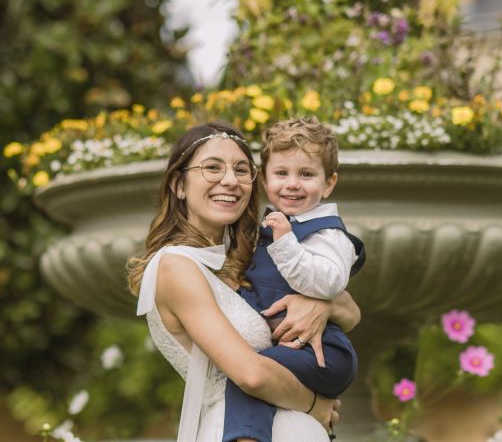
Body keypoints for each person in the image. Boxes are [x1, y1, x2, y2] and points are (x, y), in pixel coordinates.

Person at [127, 121, 362, 442]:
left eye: (241, 169)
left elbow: (352, 312)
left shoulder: (250, 254)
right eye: (212, 168)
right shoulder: (175, 266)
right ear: (178, 185)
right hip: (238, 431)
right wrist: (315, 407)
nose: (230, 180)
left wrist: (319, 304)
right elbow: (250, 375)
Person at [223, 116, 365, 442]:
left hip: (324, 354)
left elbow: (330, 283)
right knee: (254, 374)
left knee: (251, 373)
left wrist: (286, 243)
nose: (292, 184)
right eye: (281, 173)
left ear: (328, 184)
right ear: (265, 180)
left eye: (306, 174)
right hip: (295, 350)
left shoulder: (328, 233)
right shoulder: (268, 226)